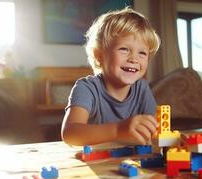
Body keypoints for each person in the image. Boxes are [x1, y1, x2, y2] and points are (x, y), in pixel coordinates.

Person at [61, 8, 160, 146]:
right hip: (96, 161)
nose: (134, 59)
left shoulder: (142, 88)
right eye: (124, 49)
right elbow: (70, 133)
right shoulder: (87, 88)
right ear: (99, 55)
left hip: (132, 161)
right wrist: (118, 130)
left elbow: (156, 131)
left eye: (142, 53)